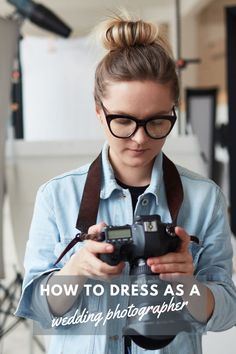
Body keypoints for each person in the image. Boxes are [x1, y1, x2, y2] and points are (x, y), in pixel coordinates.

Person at [15, 13, 236, 354]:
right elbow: (39, 309)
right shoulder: (57, 197)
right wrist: (77, 268)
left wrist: (186, 284)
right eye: (123, 121)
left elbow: (226, 313)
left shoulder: (204, 199)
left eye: (157, 122)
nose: (139, 138)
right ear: (99, 112)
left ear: (173, 112)